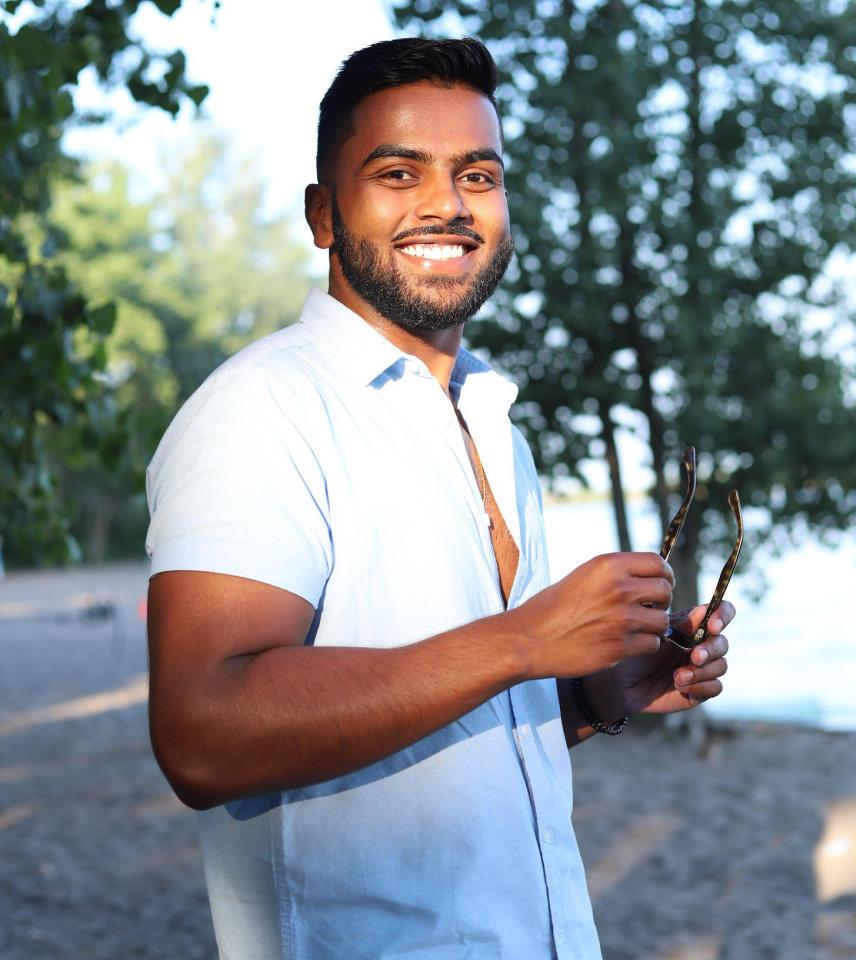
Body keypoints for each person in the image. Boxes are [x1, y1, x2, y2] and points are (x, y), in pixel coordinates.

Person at [145, 37, 734, 960]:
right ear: (322, 215)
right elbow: (201, 733)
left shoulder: (494, 421)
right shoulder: (260, 410)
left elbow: (451, 716)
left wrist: (593, 693)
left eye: (479, 175)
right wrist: (526, 639)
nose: (446, 204)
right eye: (397, 171)